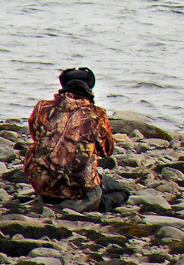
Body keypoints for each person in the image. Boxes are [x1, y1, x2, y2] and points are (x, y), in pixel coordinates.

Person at [24, 67, 130, 212]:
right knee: (121, 191)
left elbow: (37, 137)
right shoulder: (96, 114)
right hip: (79, 187)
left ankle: (49, 199)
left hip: (42, 183)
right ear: (89, 89)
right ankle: (87, 205)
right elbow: (106, 151)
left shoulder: (42, 108)